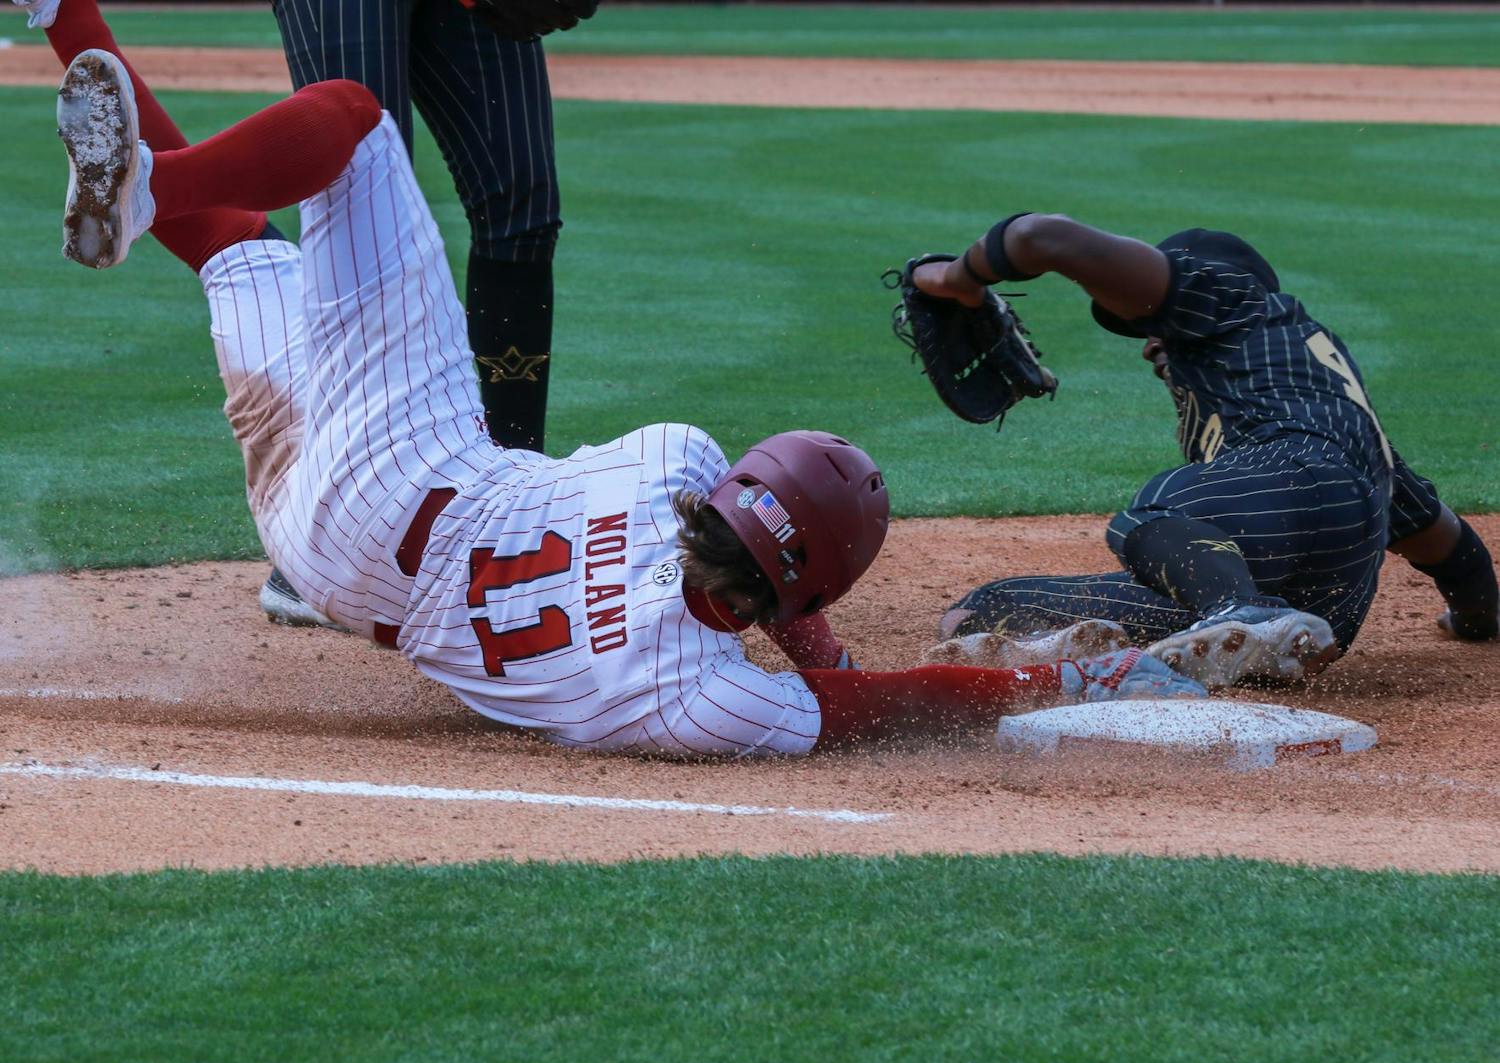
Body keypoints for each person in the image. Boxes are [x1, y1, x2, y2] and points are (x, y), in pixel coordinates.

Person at [45, 48, 1206, 755]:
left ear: (734, 485)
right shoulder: (688, 698)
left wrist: (1033, 673)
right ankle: (70, 29)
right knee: (237, 249)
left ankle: (146, 180)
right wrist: (1059, 680)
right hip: (322, 556)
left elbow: (790, 586)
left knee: (351, 122)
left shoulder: (670, 461)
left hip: (409, 472)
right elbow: (881, 705)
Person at [17, 0, 575, 629]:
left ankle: (145, 180)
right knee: (308, 187)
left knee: (366, 142)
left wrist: (66, 18)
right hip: (330, 523)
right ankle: (509, 513)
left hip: (353, 521)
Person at [913, 213, 1498, 688]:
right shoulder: (1338, 419)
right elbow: (1452, 548)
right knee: (985, 609)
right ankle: (1183, 638)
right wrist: (1476, 618)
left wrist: (958, 277)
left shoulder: (1229, 300)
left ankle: (1241, 614)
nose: (1148, 346)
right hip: (1327, 614)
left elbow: (1040, 237)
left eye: (1150, 323)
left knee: (1154, 511)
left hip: (1277, 491)